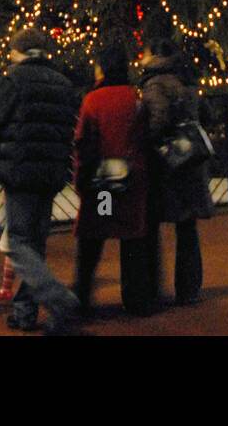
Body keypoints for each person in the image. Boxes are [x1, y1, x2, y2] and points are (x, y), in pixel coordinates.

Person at [0, 27, 82, 334]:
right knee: (35, 243)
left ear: (18, 52)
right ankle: (26, 312)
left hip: (20, 170)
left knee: (19, 243)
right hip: (51, 172)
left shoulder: (15, 80)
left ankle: (59, 299)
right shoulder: (63, 83)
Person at [72, 42, 151, 317]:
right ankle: (137, 300)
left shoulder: (92, 100)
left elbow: (83, 143)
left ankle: (81, 299)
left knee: (90, 243)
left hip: (100, 183)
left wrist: (80, 180)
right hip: (131, 181)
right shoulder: (135, 97)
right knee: (132, 242)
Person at [139, 37, 214, 308]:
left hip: (168, 166)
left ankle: (151, 289)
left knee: (151, 226)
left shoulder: (154, 83)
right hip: (191, 163)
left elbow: (157, 121)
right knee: (187, 229)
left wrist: (144, 139)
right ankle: (189, 289)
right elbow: (207, 115)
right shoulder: (189, 80)